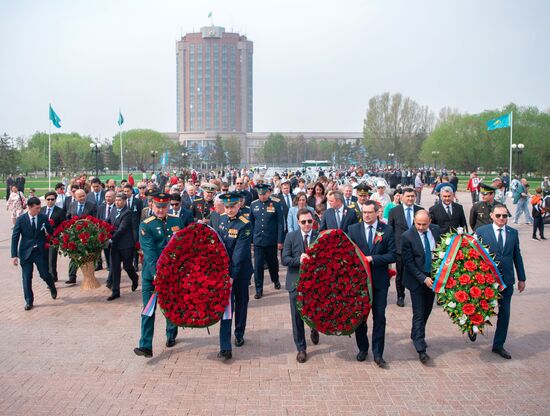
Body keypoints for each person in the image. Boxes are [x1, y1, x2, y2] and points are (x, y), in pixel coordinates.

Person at [134, 193, 184, 358]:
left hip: (172, 274)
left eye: (164, 206)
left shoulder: (176, 221)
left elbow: (181, 246)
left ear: (169, 205)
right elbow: (149, 253)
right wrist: (157, 274)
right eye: (158, 206)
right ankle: (145, 345)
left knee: (170, 306)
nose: (161, 210)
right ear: (152, 206)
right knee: (148, 309)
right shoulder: (145, 225)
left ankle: (171, 334)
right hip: (152, 275)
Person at [348, 201, 396, 368]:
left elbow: (392, 255)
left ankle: (378, 353)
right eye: (364, 212)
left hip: (379, 282)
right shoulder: (353, 229)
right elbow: (348, 254)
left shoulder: (387, 230)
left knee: (379, 317)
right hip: (359, 284)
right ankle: (363, 348)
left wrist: (373, 259)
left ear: (377, 213)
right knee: (360, 318)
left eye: (370, 212)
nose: (366, 215)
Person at [476, 204, 526, 359]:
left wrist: (521, 278)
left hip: (506, 281)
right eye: (498, 216)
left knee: (504, 313)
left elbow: (517, 256)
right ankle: (474, 327)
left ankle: (498, 345)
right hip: (487, 282)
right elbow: (475, 256)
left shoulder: (513, 233)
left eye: (505, 216)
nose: (502, 219)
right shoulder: (481, 232)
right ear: (491, 215)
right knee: (480, 308)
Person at [216, 192, 254, 359]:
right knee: (226, 306)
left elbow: (239, 254)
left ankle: (239, 333)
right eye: (227, 207)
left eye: (232, 206)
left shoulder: (245, 224)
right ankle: (225, 346)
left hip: (240, 272)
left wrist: (232, 275)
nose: (230, 210)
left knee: (240, 303)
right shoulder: (221, 220)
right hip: (224, 271)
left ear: (239, 205)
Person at [401, 210, 441, 364]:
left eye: (424, 224)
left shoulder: (436, 231)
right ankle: (420, 347)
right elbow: (408, 262)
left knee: (427, 310)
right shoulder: (407, 236)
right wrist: (423, 279)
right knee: (418, 312)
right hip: (416, 279)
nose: (421, 227)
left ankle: (415, 333)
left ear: (429, 222)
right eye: (418, 224)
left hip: (433, 278)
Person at [282, 208, 320, 363]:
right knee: (297, 317)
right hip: (295, 282)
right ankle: (301, 348)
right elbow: (285, 259)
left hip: (315, 283)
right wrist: (299, 259)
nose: (307, 225)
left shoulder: (319, 236)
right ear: (298, 222)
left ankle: (314, 327)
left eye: (309, 221)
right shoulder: (291, 237)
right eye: (303, 222)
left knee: (314, 311)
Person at [11, 197, 58, 310]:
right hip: (25, 253)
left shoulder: (43, 217)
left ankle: (52, 286)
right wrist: (14, 255)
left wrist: (51, 232)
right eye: (37, 208)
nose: (39, 210)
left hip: (39, 252)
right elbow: (15, 237)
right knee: (26, 277)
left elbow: (51, 231)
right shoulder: (21, 219)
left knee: (44, 274)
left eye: (39, 207)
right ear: (30, 207)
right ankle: (29, 301)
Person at [388, 187, 423, 307]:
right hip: (400, 249)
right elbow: (390, 231)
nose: (410, 198)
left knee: (418, 272)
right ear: (402, 197)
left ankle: (417, 295)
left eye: (412, 196)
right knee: (400, 274)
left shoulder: (420, 210)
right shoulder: (394, 211)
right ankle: (400, 295)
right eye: (408, 196)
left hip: (417, 249)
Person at [249, 184, 284, 299]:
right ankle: (259, 289)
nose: (262, 196)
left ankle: (276, 280)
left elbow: (280, 223)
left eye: (264, 194)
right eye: (260, 194)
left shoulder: (275, 203)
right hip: (259, 240)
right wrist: (252, 239)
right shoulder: (253, 205)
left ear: (268, 193)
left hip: (271, 240)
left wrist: (280, 240)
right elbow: (251, 223)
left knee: (272, 263)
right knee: (258, 266)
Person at [107, 193, 139, 301]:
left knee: (127, 266)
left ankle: (135, 278)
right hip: (115, 245)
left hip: (126, 245)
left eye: (120, 200)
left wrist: (111, 238)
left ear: (125, 201)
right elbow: (108, 223)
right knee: (115, 268)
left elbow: (122, 229)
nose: (117, 202)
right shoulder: (113, 210)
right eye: (116, 200)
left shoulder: (128, 213)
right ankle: (115, 291)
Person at [66, 189, 97, 284]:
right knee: (74, 255)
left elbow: (95, 219)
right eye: (80, 196)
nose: (82, 198)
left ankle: (89, 275)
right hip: (75, 234)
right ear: (75, 197)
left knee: (89, 255)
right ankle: (72, 276)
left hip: (88, 234)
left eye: (84, 195)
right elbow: (68, 216)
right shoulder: (72, 205)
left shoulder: (91, 206)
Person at [40, 191, 66, 282]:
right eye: (48, 199)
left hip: (54, 238)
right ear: (45, 200)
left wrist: (53, 232)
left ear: (55, 200)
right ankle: (48, 275)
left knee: (52, 258)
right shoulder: (41, 210)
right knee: (44, 258)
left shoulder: (60, 211)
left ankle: (52, 277)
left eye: (52, 199)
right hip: (42, 238)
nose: (50, 201)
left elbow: (63, 226)